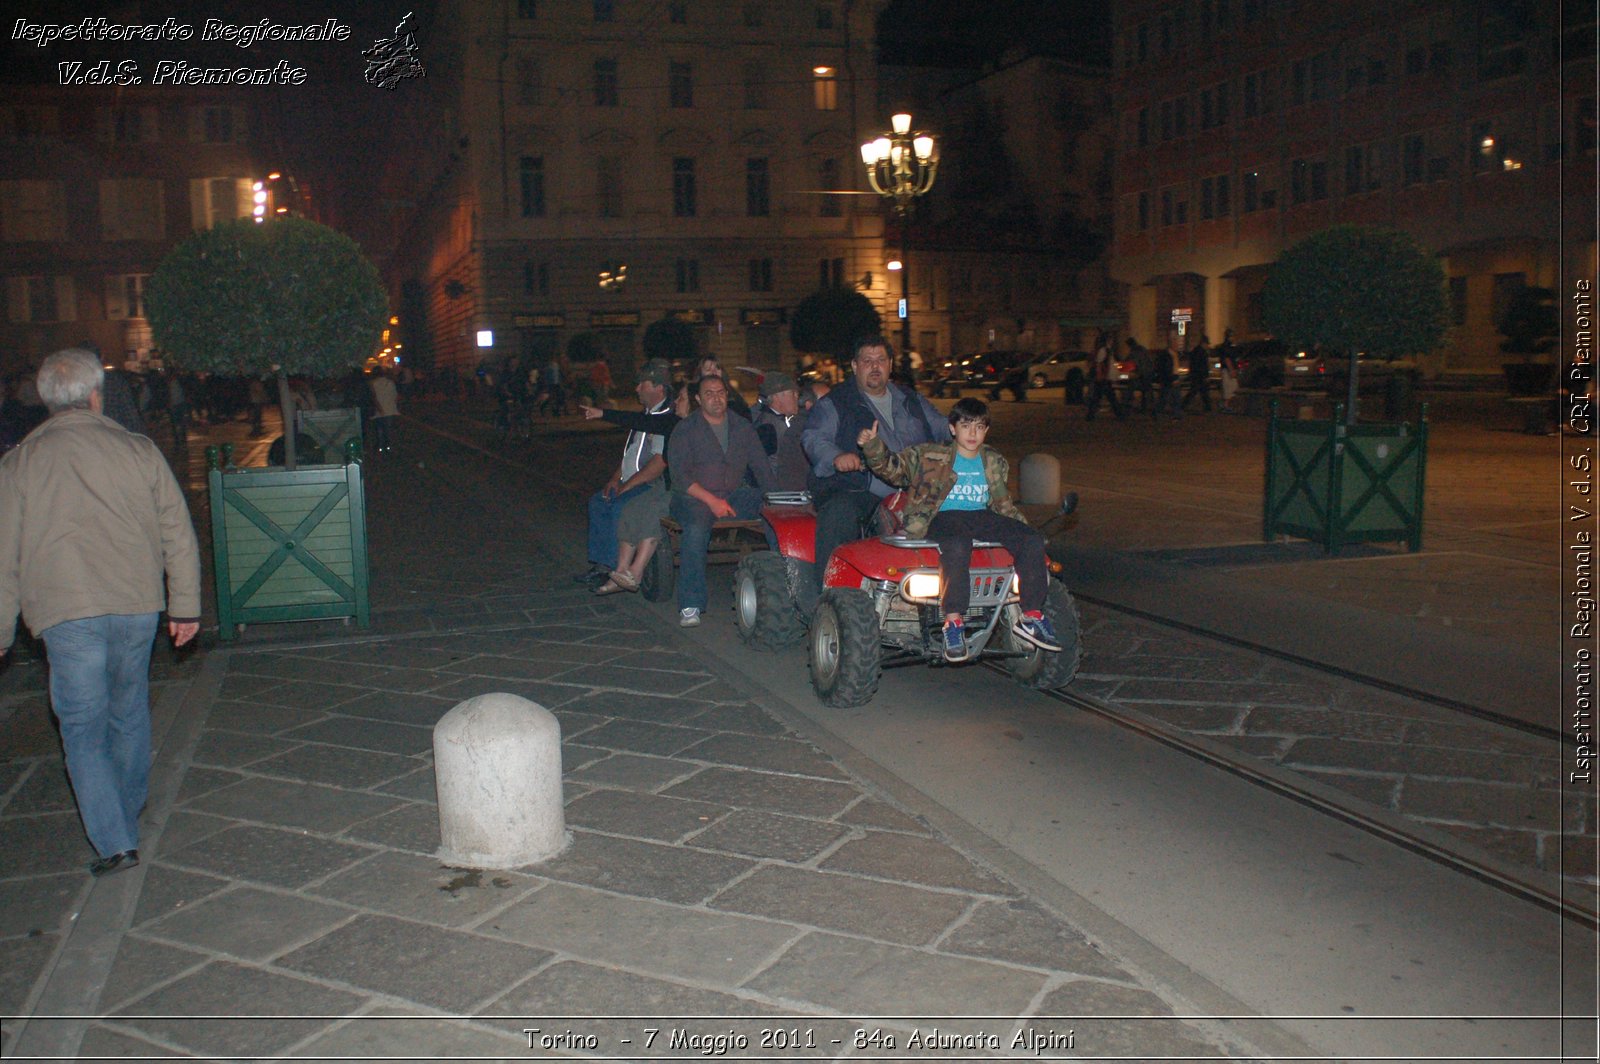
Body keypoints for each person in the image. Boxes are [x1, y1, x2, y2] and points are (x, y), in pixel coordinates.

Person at [0, 349, 201, 877]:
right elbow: (176, 529)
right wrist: (185, 605)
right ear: (96, 395)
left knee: (82, 726)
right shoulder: (137, 449)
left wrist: (2, 627)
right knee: (128, 710)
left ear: (46, 400)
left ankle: (115, 840)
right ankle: (126, 814)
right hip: (136, 603)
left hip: (66, 613)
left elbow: (4, 555)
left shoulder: (19, 461)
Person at [858, 396, 1060, 663]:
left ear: (986, 430)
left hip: (980, 515)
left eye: (979, 426)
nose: (973, 433)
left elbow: (1002, 503)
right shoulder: (930, 455)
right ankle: (953, 622)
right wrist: (873, 445)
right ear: (953, 428)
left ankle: (1031, 617)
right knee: (957, 544)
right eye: (966, 426)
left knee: (1031, 539)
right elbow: (892, 470)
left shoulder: (994, 461)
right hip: (941, 516)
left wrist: (1023, 527)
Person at [802, 335, 946, 598]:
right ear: (855, 366)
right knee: (838, 516)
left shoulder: (911, 399)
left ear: (890, 364)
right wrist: (837, 457)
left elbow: (942, 426)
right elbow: (814, 437)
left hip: (916, 487)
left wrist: (965, 431)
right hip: (860, 489)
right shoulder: (836, 402)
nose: (875, 366)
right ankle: (827, 596)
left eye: (881, 360)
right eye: (867, 361)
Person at [666, 374, 774, 626]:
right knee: (695, 529)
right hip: (693, 497)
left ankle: (789, 581)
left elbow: (761, 467)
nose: (716, 398)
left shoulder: (742, 426)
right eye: (709, 394)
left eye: (721, 392)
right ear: (698, 399)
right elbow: (679, 476)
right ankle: (691, 603)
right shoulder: (686, 429)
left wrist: (777, 498)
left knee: (774, 510)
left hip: (733, 494)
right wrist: (711, 501)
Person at [573, 360, 678, 591]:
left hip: (650, 485)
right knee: (598, 502)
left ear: (659, 388)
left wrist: (627, 485)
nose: (637, 389)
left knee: (619, 506)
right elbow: (630, 454)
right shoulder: (644, 416)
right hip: (630, 480)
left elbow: (659, 463)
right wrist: (614, 479)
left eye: (643, 384)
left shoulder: (665, 418)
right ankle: (602, 564)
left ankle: (614, 569)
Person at [750, 371, 810, 492]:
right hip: (782, 496)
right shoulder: (767, 428)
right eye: (792, 393)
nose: (797, 396)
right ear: (777, 396)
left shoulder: (777, 422)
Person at [1083, 331, 1127, 421]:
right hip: (1103, 378)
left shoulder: (1106, 350)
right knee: (1109, 397)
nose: (1112, 341)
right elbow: (1099, 363)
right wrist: (1100, 375)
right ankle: (1119, 414)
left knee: (1099, 397)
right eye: (1110, 339)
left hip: (1104, 378)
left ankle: (1090, 415)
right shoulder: (1104, 350)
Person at [369, 368, 401, 452]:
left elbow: (373, 397)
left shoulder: (373, 383)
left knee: (379, 429)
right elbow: (395, 396)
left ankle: (380, 446)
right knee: (388, 429)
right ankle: (388, 446)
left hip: (379, 409)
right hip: (390, 408)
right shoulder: (390, 383)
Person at [1152, 337, 1183, 419]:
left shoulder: (1175, 354)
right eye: (1175, 344)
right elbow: (1165, 368)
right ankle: (1158, 412)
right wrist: (1171, 378)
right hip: (1168, 378)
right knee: (1165, 397)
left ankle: (1177, 414)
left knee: (1176, 397)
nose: (1177, 346)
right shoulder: (1166, 355)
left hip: (1174, 376)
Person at [1182, 335, 1213, 413]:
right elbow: (1203, 366)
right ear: (1203, 343)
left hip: (1195, 375)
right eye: (1207, 344)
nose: (1207, 346)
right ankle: (1208, 407)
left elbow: (1193, 364)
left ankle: (1183, 405)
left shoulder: (1195, 351)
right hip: (1200, 376)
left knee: (1196, 391)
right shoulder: (1202, 353)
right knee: (1202, 392)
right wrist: (1206, 376)